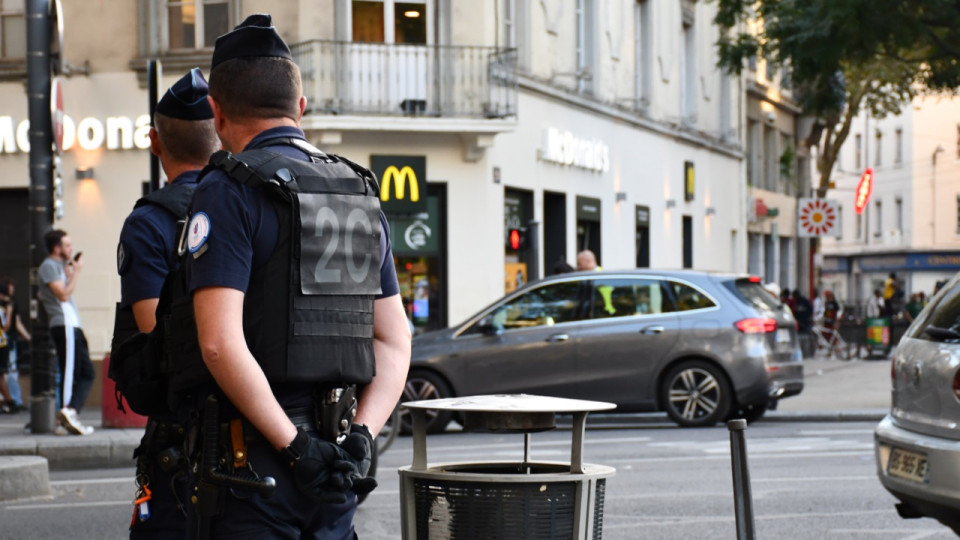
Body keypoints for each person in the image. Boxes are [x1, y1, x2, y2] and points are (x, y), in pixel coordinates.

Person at [183, 14, 410, 537]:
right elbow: (395, 340)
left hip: (257, 465)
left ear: (216, 113)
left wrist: (294, 446)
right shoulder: (357, 189)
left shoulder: (228, 188)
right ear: (299, 108)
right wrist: (360, 439)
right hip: (338, 463)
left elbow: (218, 343)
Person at [114, 68, 220, 538]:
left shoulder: (149, 224)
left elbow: (153, 331)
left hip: (182, 438)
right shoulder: (246, 204)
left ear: (155, 142)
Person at [38, 229, 95, 435]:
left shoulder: (59, 267)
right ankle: (66, 414)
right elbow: (62, 295)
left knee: (87, 372)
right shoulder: (49, 266)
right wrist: (76, 273)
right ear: (57, 248)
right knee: (70, 372)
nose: (71, 249)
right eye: (67, 245)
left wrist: (70, 272)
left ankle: (69, 414)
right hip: (64, 325)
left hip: (72, 326)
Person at [0, 278, 29, 412]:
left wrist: (28, 337)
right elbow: (7, 326)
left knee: (8, 372)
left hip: (7, 342)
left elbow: (16, 324)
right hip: (4, 342)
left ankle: (12, 400)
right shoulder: (8, 306)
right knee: (8, 372)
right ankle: (11, 401)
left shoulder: (11, 304)